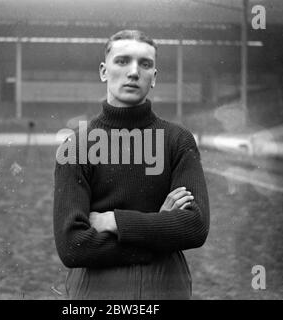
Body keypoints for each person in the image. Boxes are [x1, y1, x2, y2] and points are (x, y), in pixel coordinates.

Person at [53, 30, 210, 300]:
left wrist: (115, 220)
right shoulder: (77, 146)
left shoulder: (177, 140)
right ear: (104, 71)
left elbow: (195, 226)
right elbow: (72, 246)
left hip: (166, 287)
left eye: (145, 64)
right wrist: (159, 227)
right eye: (123, 61)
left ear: (154, 78)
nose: (134, 72)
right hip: (96, 289)